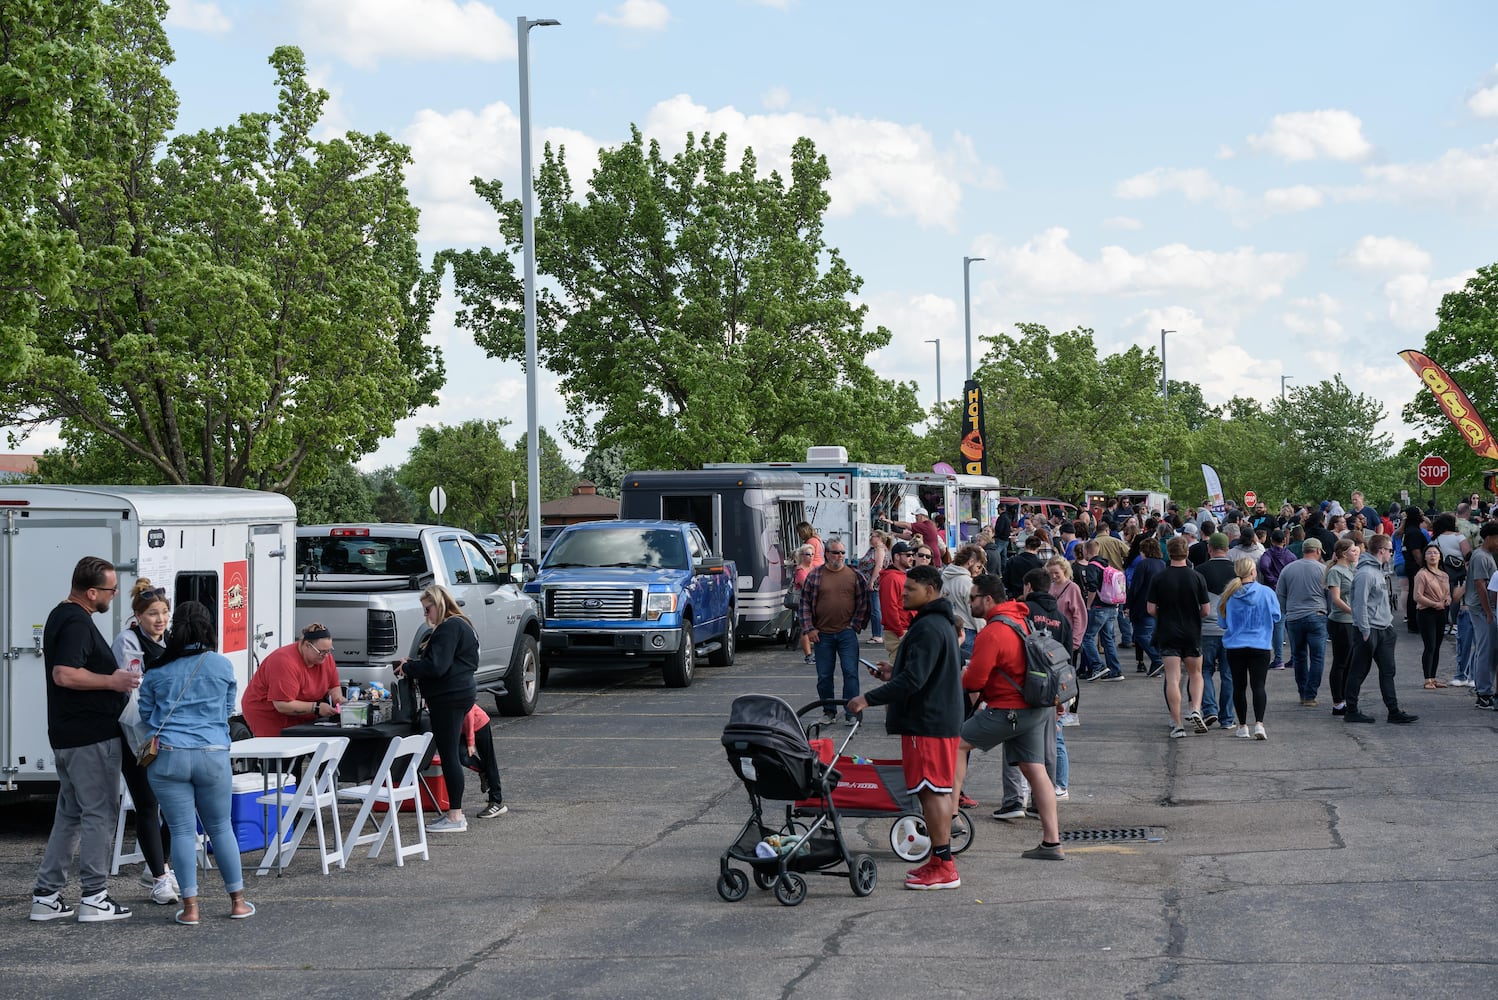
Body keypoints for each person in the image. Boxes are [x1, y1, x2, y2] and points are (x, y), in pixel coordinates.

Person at [31, 557, 140, 923]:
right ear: (92, 592)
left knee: (71, 814)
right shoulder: (76, 621)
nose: (115, 594)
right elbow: (64, 673)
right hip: (90, 736)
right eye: (110, 589)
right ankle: (95, 896)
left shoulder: (60, 615)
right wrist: (113, 681)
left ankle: (46, 896)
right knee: (99, 813)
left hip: (66, 735)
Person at [847, 565, 965, 889]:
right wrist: (892, 670)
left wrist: (867, 699)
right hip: (934, 720)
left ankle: (945, 865)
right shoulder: (935, 623)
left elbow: (915, 680)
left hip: (928, 723)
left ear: (930, 590)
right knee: (930, 791)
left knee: (932, 791)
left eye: (909, 589)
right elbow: (920, 672)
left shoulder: (929, 627)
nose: (902, 594)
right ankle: (939, 861)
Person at [139, 601, 254, 925]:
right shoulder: (221, 665)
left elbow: (146, 715)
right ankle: (238, 903)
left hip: (169, 758)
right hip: (212, 754)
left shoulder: (158, 668)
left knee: (181, 831)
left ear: (176, 629)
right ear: (208, 629)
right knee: (220, 828)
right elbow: (228, 708)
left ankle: (190, 909)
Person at [952, 572, 1065, 861]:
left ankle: (950, 817)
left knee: (956, 746)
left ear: (987, 599)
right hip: (1034, 706)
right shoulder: (1021, 619)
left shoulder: (993, 631)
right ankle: (1052, 843)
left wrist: (958, 676)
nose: (969, 602)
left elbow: (975, 680)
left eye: (972, 598)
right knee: (1035, 769)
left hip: (1010, 708)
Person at [112, 579, 179, 907]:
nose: (160, 619)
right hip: (137, 736)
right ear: (137, 616)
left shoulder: (170, 643)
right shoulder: (128, 642)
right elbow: (131, 692)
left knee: (178, 805)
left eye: (164, 612)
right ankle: (159, 878)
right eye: (153, 613)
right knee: (148, 804)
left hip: (168, 734)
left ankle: (161, 864)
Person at [395, 584, 481, 832]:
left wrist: (409, 668)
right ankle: (455, 813)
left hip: (449, 697)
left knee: (449, 755)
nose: (426, 616)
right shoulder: (462, 624)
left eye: (427, 609)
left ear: (438, 604)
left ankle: (455, 815)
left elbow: (437, 667)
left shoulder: (448, 627)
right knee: (452, 751)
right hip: (460, 693)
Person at [1345, 534, 1418, 725]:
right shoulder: (1366, 573)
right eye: (1390, 550)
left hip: (1384, 628)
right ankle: (1351, 710)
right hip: (1370, 630)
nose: (1391, 554)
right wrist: (1365, 630)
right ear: (1381, 550)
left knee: (1388, 671)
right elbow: (1359, 604)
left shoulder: (1378, 571)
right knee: (1359, 671)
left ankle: (1393, 711)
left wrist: (1388, 625)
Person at [798, 538, 873, 725]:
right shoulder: (815, 576)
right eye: (835, 552)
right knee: (824, 675)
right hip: (822, 634)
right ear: (826, 555)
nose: (839, 556)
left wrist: (855, 625)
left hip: (847, 634)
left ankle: (851, 713)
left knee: (850, 672)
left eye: (842, 552)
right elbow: (804, 605)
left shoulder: (855, 576)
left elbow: (864, 603)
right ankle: (828, 712)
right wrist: (810, 629)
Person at [1147, 536, 1211, 738]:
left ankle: (1177, 723)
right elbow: (1206, 610)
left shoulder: (1159, 578)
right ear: (1187, 552)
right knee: (1196, 674)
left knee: (1173, 678)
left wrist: (1164, 614)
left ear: (1169, 553)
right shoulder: (1197, 577)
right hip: (1192, 631)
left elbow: (1150, 609)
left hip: (1168, 631)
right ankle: (1195, 708)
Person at [240, 623, 344, 738]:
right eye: (321, 651)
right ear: (306, 645)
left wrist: (338, 699)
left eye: (329, 651)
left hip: (302, 711)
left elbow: (333, 685)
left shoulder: (325, 658)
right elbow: (282, 705)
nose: (326, 655)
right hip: (269, 713)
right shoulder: (284, 661)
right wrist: (317, 707)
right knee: (283, 749)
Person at [1219, 558, 1281, 740]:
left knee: (1239, 686)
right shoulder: (1266, 592)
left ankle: (1243, 725)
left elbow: (1222, 623)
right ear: (1253, 572)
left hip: (1235, 645)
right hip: (1260, 644)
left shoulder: (1229, 594)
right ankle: (1259, 724)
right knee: (1258, 685)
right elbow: (1276, 616)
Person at [1276, 538, 1329, 705]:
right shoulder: (1324, 570)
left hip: (1294, 617)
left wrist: (1287, 611)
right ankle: (1310, 695)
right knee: (1317, 657)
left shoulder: (1288, 569)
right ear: (1318, 551)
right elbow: (1330, 595)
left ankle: (1302, 692)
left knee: (1298, 656)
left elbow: (1280, 595)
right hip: (1317, 615)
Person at [1196, 533, 1238, 731]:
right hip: (1231, 630)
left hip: (1206, 629)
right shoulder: (1237, 572)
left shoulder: (1200, 571)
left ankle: (1209, 709)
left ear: (1209, 549)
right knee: (1229, 674)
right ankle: (1227, 718)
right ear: (1228, 548)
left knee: (1204, 671)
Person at [1324, 537, 1361, 716]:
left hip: (1352, 622)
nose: (1356, 553)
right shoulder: (1336, 572)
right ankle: (1337, 701)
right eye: (1353, 551)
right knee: (1341, 661)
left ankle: (1346, 698)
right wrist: (1354, 612)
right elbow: (1336, 599)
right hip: (1341, 621)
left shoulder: (1352, 569)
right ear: (1343, 553)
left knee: (1351, 662)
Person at [1467, 522, 1498, 711]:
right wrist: (1488, 612)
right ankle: (1483, 694)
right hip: (1481, 609)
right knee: (1485, 651)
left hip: (1486, 609)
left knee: (1490, 650)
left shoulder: (1486, 555)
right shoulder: (1480, 557)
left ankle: (1487, 690)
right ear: (1489, 538)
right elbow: (1480, 585)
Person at [458, 702, 508, 819]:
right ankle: (483, 771)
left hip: (479, 723)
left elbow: (469, 714)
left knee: (489, 761)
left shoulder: (456, 690)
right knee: (461, 756)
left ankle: (496, 801)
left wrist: (470, 741)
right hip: (462, 729)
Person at [1413, 545, 1452, 689]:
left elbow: (1447, 593)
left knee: (1437, 646)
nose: (1432, 555)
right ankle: (1427, 679)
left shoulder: (1444, 574)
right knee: (1430, 646)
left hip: (1441, 612)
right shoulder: (1422, 574)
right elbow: (1417, 596)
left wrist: (1448, 599)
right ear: (1425, 557)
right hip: (1426, 613)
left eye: (1435, 553)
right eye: (1429, 553)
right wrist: (1435, 604)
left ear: (1440, 556)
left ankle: (1433, 677)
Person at [1258, 529, 1296, 668]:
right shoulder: (1291, 556)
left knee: (1278, 625)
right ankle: (1294, 657)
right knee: (1290, 625)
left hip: (1273, 591)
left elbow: (1264, 566)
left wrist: (1273, 580)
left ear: (1271, 540)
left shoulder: (1267, 554)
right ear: (1284, 541)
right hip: (1289, 591)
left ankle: (1279, 658)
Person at [941, 543, 986, 662]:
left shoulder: (944, 577)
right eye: (978, 566)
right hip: (968, 631)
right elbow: (975, 611)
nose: (978, 571)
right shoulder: (967, 583)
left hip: (948, 628)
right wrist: (984, 632)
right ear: (971, 562)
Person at [879, 541, 916, 659]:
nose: (912, 558)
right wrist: (900, 633)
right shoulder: (891, 578)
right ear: (897, 556)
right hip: (898, 632)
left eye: (912, 555)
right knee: (898, 670)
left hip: (906, 629)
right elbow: (889, 607)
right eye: (908, 555)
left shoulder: (902, 575)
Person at [857, 531, 888, 646]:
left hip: (874, 583)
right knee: (874, 608)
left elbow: (878, 566)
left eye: (873, 536)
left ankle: (877, 635)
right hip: (870, 581)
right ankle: (876, 634)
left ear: (879, 538)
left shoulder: (879, 550)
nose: (870, 538)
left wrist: (872, 581)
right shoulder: (875, 549)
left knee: (875, 609)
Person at [1003, 534, 1045, 600]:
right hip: (1033, 597)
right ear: (1037, 548)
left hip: (1015, 596)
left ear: (1025, 546)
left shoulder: (1012, 560)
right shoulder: (1040, 564)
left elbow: (1006, 580)